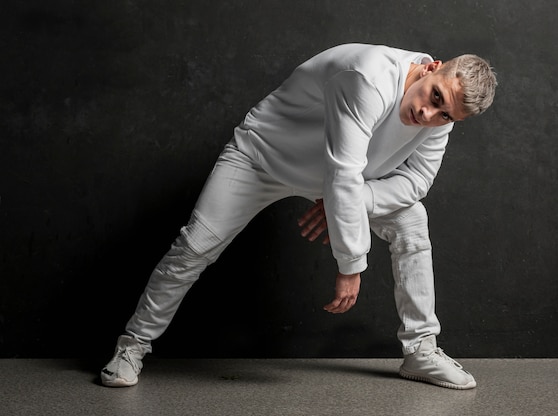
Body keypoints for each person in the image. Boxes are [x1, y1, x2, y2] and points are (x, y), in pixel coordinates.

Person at [100, 43, 497, 390]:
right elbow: (342, 171)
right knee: (193, 248)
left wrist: (352, 199)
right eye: (434, 97)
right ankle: (132, 346)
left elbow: (416, 182)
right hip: (262, 159)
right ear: (431, 68)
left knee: (413, 220)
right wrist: (350, 264)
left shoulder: (441, 119)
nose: (427, 114)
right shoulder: (368, 77)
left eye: (444, 115)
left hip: (341, 180)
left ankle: (421, 351)